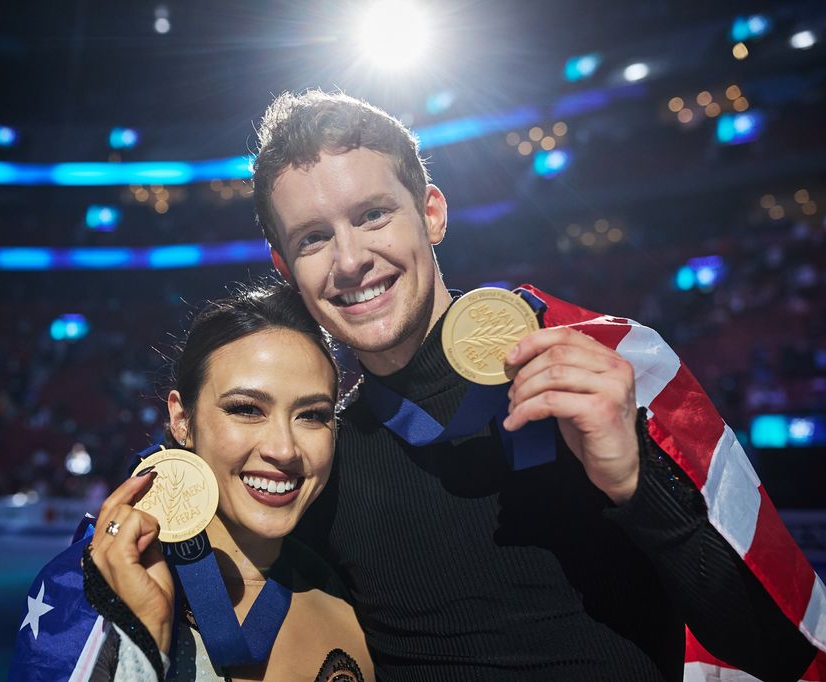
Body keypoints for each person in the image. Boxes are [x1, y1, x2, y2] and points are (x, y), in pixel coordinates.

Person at [250, 89, 824, 681]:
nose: (349, 260)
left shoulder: (596, 378)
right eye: (312, 238)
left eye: (373, 215)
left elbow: (776, 657)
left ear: (432, 213)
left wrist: (635, 484)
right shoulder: (319, 460)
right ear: (285, 268)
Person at [9, 281, 372, 681]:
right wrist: (142, 639)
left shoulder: (364, 605)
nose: (284, 450)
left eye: (312, 415)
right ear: (182, 420)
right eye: (247, 409)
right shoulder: (90, 589)